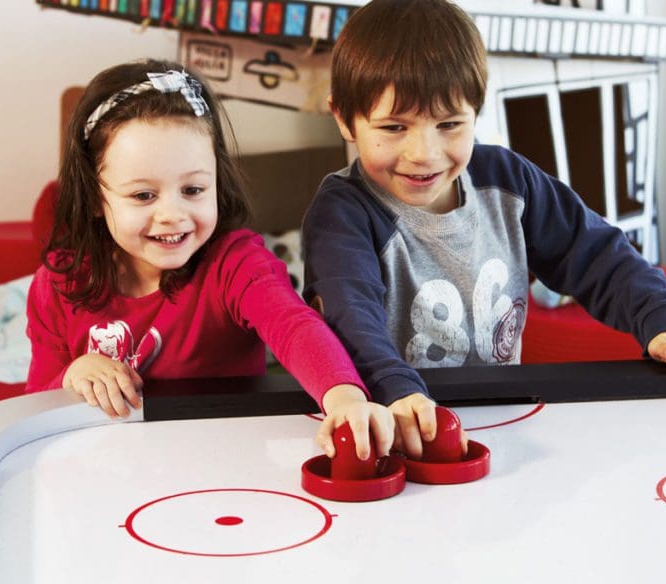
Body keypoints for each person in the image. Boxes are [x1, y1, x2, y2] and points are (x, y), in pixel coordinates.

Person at [301, 0, 666, 458]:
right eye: (394, 127)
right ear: (343, 118)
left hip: (500, 424)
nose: (424, 153)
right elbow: (349, 318)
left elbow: (598, 255)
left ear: (477, 110)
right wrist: (394, 391)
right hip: (389, 432)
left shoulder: (509, 181)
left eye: (450, 124)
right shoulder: (343, 213)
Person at [26, 59, 393, 461]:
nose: (172, 214)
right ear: (97, 198)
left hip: (225, 464)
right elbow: (34, 407)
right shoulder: (59, 282)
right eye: (143, 196)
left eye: (194, 188)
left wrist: (344, 398)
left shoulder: (236, 263)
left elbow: (294, 325)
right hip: (108, 473)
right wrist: (72, 376)